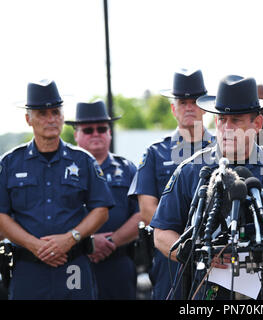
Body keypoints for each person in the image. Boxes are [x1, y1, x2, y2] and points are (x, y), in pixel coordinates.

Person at [150, 75, 263, 300]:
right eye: (222, 119)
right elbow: (161, 233)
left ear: (257, 124)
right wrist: (195, 253)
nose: (226, 127)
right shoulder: (192, 171)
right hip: (209, 293)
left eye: (236, 120)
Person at [0, 80, 114, 299]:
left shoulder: (83, 161)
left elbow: (101, 210)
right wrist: (34, 245)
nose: (51, 119)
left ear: (63, 116)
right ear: (28, 119)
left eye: (55, 112)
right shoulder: (10, 163)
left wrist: (69, 239)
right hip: (28, 268)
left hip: (73, 264)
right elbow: (1, 215)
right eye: (42, 113)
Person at [128, 69, 214, 300]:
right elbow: (146, 210)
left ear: (205, 106)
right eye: (182, 101)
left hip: (215, 256)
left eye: (194, 101)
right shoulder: (155, 152)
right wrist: (188, 238)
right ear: (173, 108)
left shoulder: (223, 150)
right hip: (171, 254)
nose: (189, 107)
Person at [65, 100, 141, 299]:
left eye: (101, 128)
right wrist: (87, 243)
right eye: (88, 130)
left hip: (118, 262)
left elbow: (143, 213)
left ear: (110, 132)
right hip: (75, 261)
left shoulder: (127, 169)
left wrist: (110, 242)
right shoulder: (61, 170)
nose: (96, 133)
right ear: (76, 135)